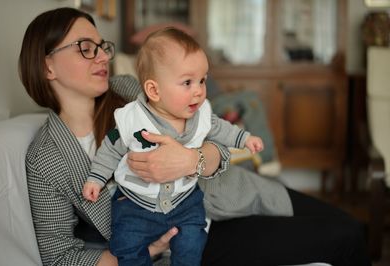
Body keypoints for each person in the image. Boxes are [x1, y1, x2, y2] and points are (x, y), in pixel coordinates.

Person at [19, 7, 372, 266]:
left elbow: (211, 134)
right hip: (193, 239)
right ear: (46, 65)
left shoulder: (129, 91)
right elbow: (59, 254)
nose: (101, 57)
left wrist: (193, 160)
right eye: (85, 47)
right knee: (345, 238)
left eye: (102, 46)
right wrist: (140, 252)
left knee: (352, 227)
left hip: (230, 191)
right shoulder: (46, 158)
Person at [82, 27, 264, 266]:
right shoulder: (132, 119)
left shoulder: (201, 114)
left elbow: (220, 129)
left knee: (192, 241)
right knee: (126, 245)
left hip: (184, 201)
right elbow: (111, 148)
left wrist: (244, 138)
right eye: (187, 82)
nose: (198, 91)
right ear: (154, 90)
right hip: (136, 204)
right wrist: (96, 178)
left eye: (202, 80)